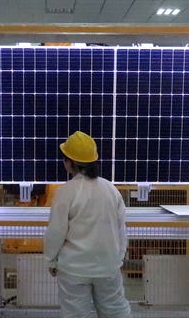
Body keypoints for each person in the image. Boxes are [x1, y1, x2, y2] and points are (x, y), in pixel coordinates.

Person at [44, 131, 131, 318]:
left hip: (74, 269)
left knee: (76, 314)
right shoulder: (110, 189)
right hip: (108, 266)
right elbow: (121, 230)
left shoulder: (65, 192)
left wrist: (51, 259)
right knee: (116, 311)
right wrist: (118, 259)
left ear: (69, 163)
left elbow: (56, 232)